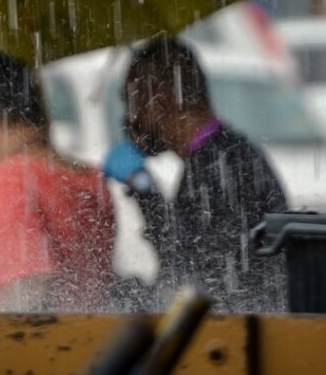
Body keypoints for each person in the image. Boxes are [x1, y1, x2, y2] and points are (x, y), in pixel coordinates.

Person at [104, 34, 287, 312]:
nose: (130, 120)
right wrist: (146, 192)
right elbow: (193, 253)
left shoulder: (218, 172)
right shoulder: (225, 155)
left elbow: (197, 282)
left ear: (160, 102)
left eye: (133, 104)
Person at [0, 51, 116, 312]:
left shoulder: (1, 184)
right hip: (84, 345)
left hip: (1, 351)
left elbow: (28, 292)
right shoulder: (91, 179)